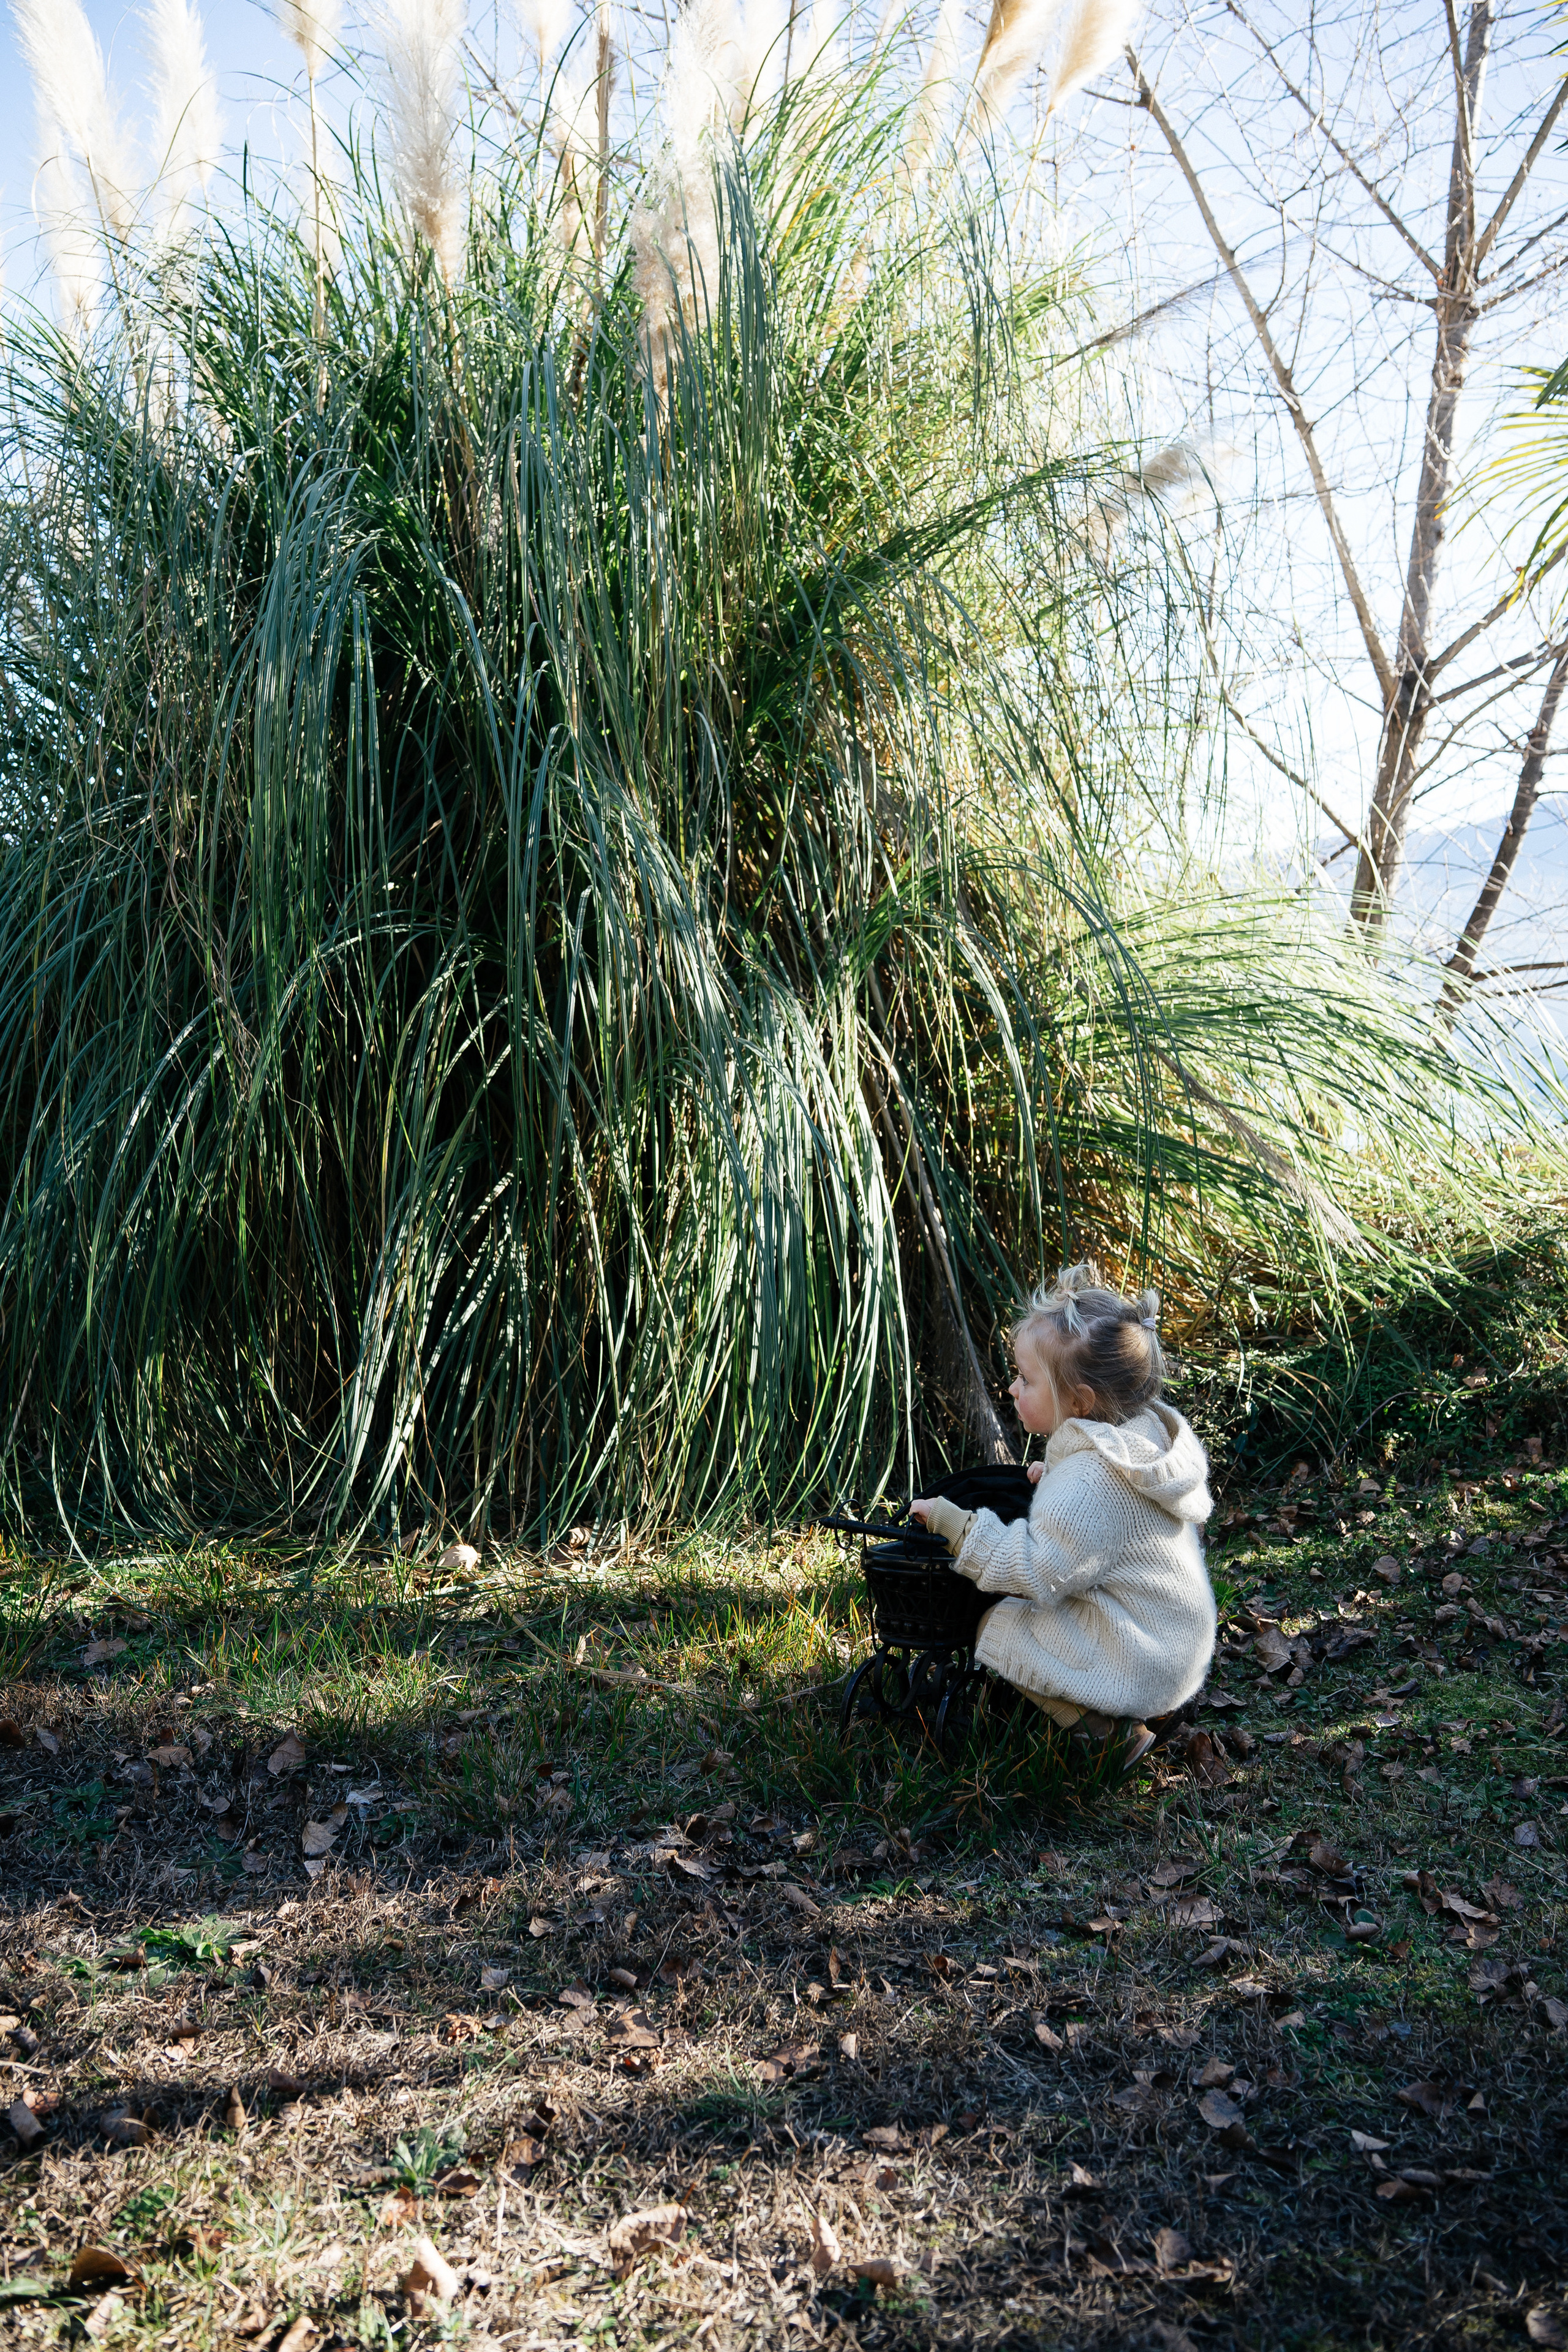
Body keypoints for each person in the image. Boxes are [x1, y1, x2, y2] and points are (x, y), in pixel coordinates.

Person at [910, 1263, 1215, 1770]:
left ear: (1079, 1402)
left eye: (1026, 1379)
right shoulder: (1136, 1440)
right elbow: (1102, 1513)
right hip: (1176, 1642)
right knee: (1037, 1617)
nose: (1012, 1388)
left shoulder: (1088, 1484)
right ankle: (1133, 1706)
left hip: (1142, 1658)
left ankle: (1107, 1735)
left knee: (996, 1625)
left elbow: (1035, 1571)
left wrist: (958, 1526)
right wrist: (1054, 1477)